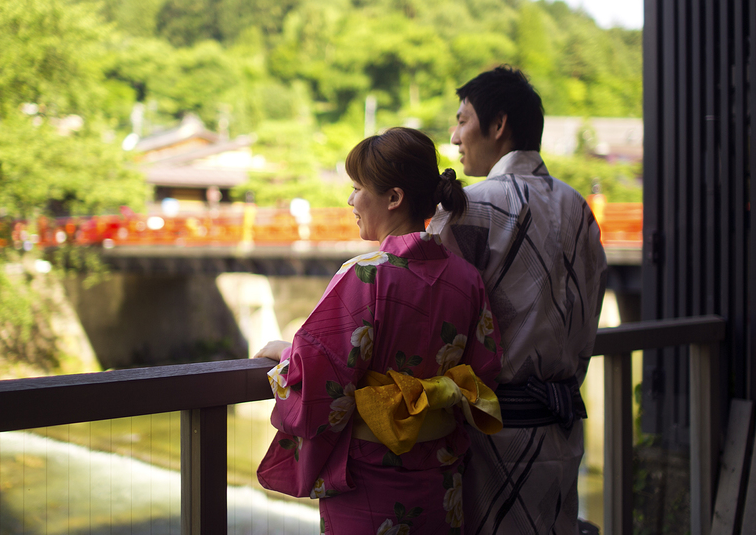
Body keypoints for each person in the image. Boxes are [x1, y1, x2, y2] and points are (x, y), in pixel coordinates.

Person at [255, 127, 504, 534]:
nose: (350, 200)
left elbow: (321, 380)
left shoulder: (365, 277)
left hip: (370, 480)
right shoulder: (467, 279)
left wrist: (288, 354)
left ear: (393, 197)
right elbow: (485, 371)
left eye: (357, 188)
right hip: (441, 479)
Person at [427, 66, 608, 534]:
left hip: (490, 434)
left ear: (498, 125)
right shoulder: (579, 209)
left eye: (463, 119)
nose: (454, 135)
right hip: (564, 425)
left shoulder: (472, 207)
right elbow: (591, 311)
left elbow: (428, 319)